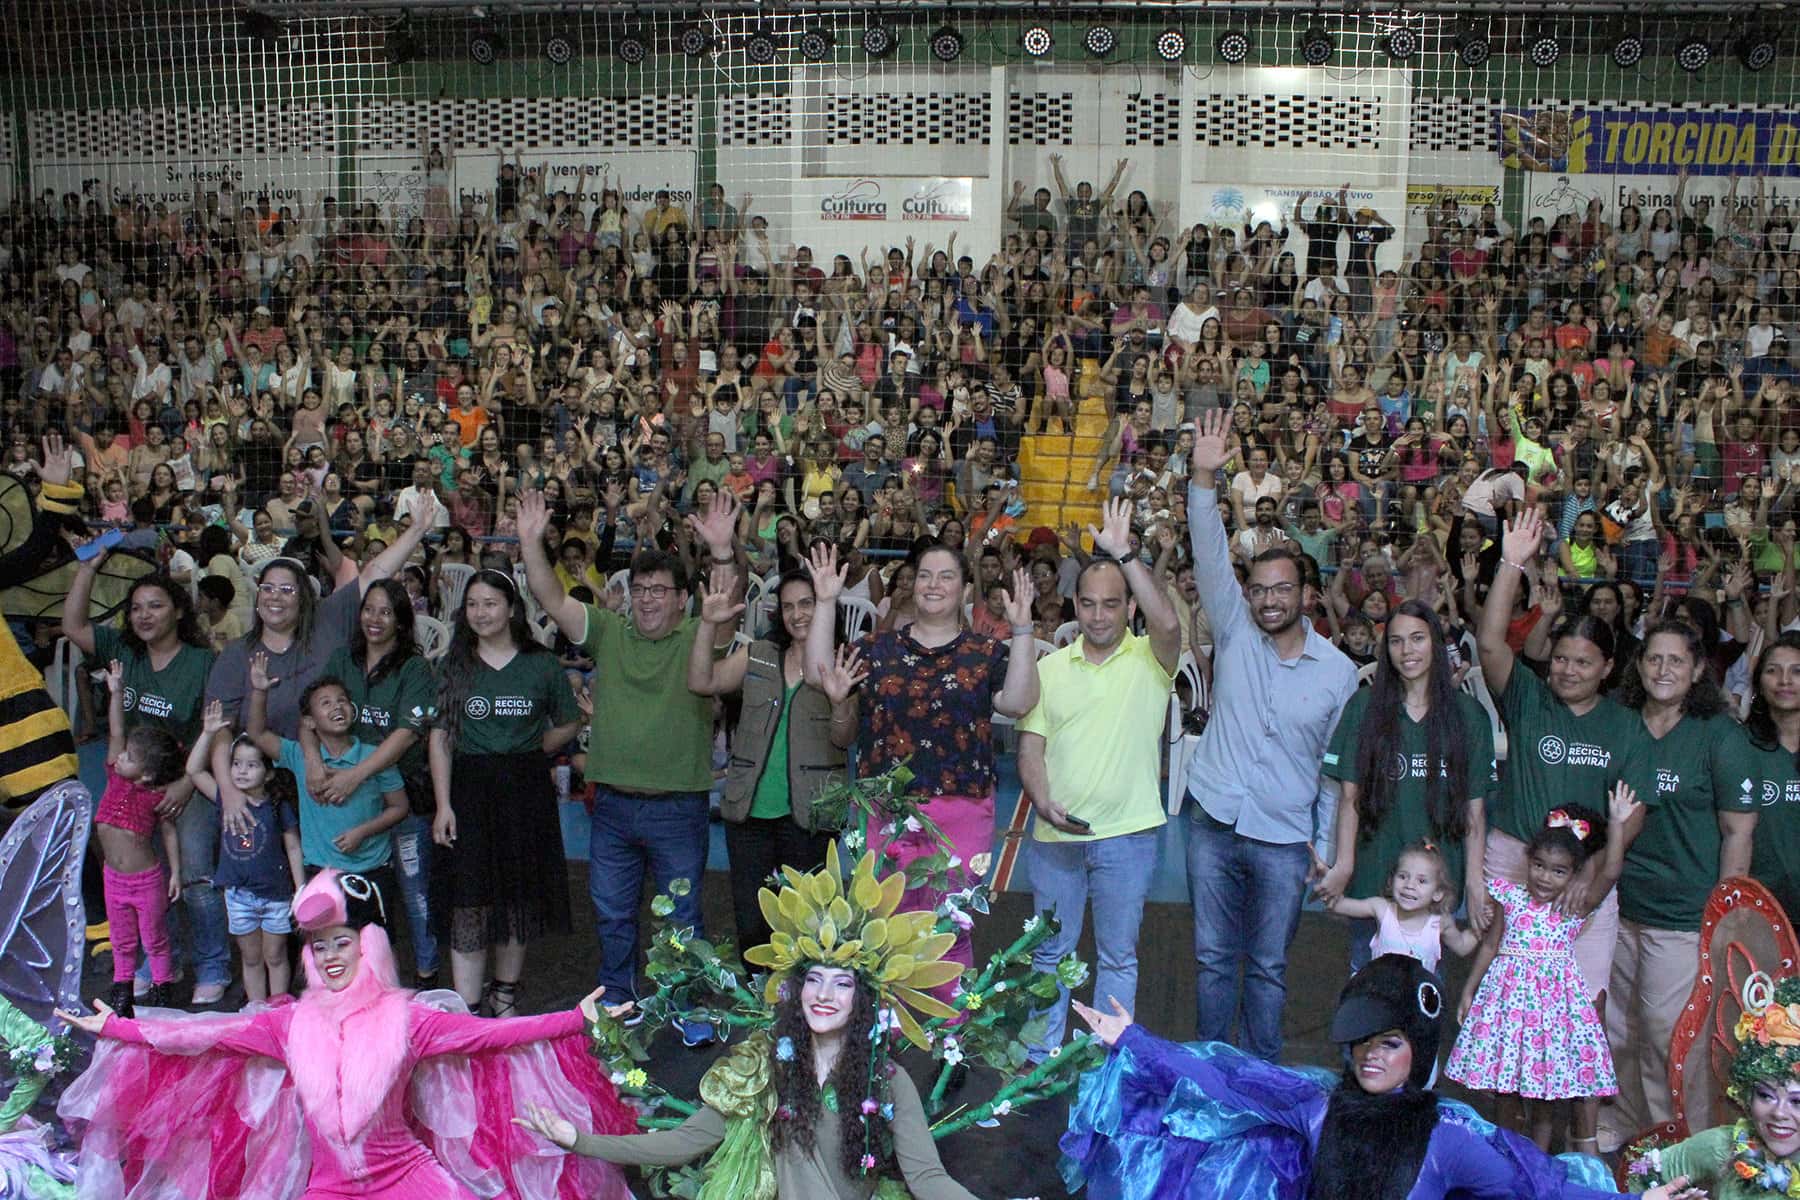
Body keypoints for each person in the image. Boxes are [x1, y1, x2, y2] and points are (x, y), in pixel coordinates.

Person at [56, 869, 638, 1200]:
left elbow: (495, 1037)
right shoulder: (287, 1024)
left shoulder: (411, 1020)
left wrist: (575, 1019)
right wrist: (118, 1027)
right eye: (319, 944)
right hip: (329, 1190)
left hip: (407, 1179)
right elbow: (204, 1035)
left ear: (370, 946)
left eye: (344, 941)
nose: (331, 955)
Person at [513, 845, 1028, 1200]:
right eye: (815, 979)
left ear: (866, 1000)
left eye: (843, 983)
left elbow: (928, 1178)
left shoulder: (885, 1081)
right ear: (795, 987)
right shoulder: (762, 1067)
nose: (824, 995)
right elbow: (683, 1143)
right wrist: (577, 1139)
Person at [1062, 954, 1701, 1200]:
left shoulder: (1446, 1140)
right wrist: (1136, 1041)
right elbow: (1226, 1084)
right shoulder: (1316, 1109)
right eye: (1362, 1043)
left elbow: (1539, 1189)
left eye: (1390, 1043)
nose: (1371, 1056)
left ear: (1418, 1053)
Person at [516, 489, 736, 1041]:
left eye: (659, 591)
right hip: (611, 806)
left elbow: (726, 615)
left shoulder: (697, 634)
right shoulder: (609, 632)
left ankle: (684, 1006)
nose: (646, 600)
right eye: (638, 590)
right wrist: (528, 541)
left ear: (683, 600)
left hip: (678, 806)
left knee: (682, 920)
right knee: (612, 915)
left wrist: (723, 551)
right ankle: (619, 999)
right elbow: (548, 596)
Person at [1181, 406, 1357, 1058]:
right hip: (1215, 822)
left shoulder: (1339, 675)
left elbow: (1336, 777)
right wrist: (1204, 478)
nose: (1269, 600)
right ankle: (1209, 1072)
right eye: (1258, 589)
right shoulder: (1233, 629)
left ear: (1305, 593)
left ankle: (1258, 1080)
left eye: (1282, 589)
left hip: (1284, 837)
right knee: (1211, 960)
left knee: (1270, 969)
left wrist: (1322, 846)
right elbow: (1206, 550)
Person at [802, 540, 1040, 1005]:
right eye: (925, 575)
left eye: (947, 575)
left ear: (965, 588)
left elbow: (1018, 703)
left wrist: (1025, 628)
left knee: (950, 925)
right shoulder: (879, 647)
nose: (934, 585)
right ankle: (883, 1037)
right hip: (885, 807)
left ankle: (950, 1037)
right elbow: (819, 672)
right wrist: (826, 599)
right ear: (912, 583)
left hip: (962, 810)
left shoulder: (985, 652)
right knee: (884, 921)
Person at [1476, 508, 1645, 1140]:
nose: (1568, 671)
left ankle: (1579, 1148)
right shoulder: (1528, 697)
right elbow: (1492, 642)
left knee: (1582, 1013)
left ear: (1607, 666)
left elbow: (1632, 813)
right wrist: (1512, 562)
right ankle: (1506, 1147)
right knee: (1507, 1017)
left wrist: (1596, 876)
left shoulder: (1625, 727)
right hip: (1514, 863)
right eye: (1561, 660)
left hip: (1589, 880)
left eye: (1583, 662)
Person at [1016, 496, 1180, 1059]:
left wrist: (1124, 552)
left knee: (1117, 956)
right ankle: (1038, 1062)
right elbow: (1030, 747)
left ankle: (1108, 1062)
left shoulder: (1151, 660)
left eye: (1112, 605)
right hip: (1056, 839)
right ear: (1075, 606)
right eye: (1088, 604)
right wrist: (1040, 800)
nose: (1099, 616)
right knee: (1048, 955)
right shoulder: (1051, 668)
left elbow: (1169, 620)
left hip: (1128, 837)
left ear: (1129, 606)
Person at [1601, 619, 1760, 1151]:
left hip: (1682, 915)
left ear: (1697, 671)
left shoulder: (1718, 735)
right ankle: (1621, 1130)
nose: (1663, 669)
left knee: (1667, 1037)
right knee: (1617, 1029)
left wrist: (1724, 918)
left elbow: (1738, 832)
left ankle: (1675, 1141)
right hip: (1616, 908)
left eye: (1676, 661)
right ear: (1638, 666)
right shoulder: (1620, 723)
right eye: (1653, 659)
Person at [65, 559, 224, 1002]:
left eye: (155, 606)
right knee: (145, 878)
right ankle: (161, 964)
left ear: (178, 610)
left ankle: (213, 965)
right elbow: (72, 624)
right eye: (136, 608)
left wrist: (187, 783)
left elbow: (217, 728)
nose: (144, 615)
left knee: (192, 875)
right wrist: (88, 567)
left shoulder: (201, 662)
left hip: (184, 781)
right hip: (133, 784)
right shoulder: (123, 649)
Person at [686, 567, 864, 953]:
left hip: (812, 817)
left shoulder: (843, 663)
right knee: (752, 925)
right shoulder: (759, 654)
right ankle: (761, 1007)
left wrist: (838, 701)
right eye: (788, 606)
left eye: (807, 604)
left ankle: (799, 1009)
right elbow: (703, 682)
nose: (797, 614)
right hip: (749, 814)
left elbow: (844, 737)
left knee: (808, 927)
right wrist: (707, 625)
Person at [1448, 792, 1638, 1154]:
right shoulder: (1512, 897)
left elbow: (1611, 870)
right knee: (1505, 1088)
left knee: (1545, 1096)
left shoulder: (1573, 906)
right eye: (1538, 865)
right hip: (1507, 1006)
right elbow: (1490, 945)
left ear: (1575, 874)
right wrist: (1469, 989)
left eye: (1559, 871)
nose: (1545, 877)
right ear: (1528, 861)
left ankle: (1536, 1163)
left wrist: (1617, 823)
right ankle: (1506, 1156)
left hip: (1550, 1016)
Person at [429, 567, 580, 1018]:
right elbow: (439, 736)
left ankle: (505, 996)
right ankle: (468, 1008)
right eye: (472, 604)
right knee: (468, 901)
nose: (481, 613)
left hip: (524, 791)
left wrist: (535, 748)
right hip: (468, 792)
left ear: (512, 609)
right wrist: (442, 805)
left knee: (517, 899)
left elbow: (569, 721)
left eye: (490, 603)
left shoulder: (541, 664)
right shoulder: (453, 665)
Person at [1313, 601, 1497, 969]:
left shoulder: (1469, 717)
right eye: (1396, 641)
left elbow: (1474, 811)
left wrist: (1476, 883)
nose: (1407, 651)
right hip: (1373, 869)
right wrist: (1345, 863)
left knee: (1424, 992)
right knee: (1366, 983)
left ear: (1435, 644)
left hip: (1435, 881)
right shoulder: (1364, 707)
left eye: (1417, 638)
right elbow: (1351, 796)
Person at [319, 579, 442, 986]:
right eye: (369, 609)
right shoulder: (342, 660)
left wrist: (357, 773)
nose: (375, 619)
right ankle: (358, 976)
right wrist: (313, 763)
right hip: (349, 799)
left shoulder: (415, 668)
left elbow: (407, 732)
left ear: (401, 620)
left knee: (414, 889)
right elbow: (311, 713)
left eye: (386, 612)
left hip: (400, 790)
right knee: (354, 888)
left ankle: (426, 973)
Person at [1627, 974, 1800, 1197]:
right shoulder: (1725, 1147)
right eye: (1766, 1095)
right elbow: (1643, 1173)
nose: (1778, 1113)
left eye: (1797, 1101)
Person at [184, 699, 304, 1004]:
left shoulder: (278, 805)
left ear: (268, 774)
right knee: (250, 958)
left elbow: (292, 845)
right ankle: (256, 1010)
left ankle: (279, 1009)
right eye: (235, 763)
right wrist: (209, 733)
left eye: (251, 765)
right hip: (238, 895)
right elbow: (195, 770)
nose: (241, 770)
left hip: (276, 894)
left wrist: (300, 887)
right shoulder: (227, 800)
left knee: (275, 956)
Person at [96, 659, 185, 1018]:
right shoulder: (116, 776)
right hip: (113, 880)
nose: (119, 757)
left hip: (145, 881)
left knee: (154, 938)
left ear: (146, 774)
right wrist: (115, 692)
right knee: (122, 939)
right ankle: (124, 992)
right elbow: (117, 731)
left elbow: (168, 830)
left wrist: (175, 873)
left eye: (129, 757)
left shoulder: (154, 796)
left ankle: (163, 991)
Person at [1324, 841, 1480, 974]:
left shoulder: (1439, 922)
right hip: (1379, 998)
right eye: (1403, 876)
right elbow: (1339, 905)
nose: (1409, 885)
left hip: (1414, 1004)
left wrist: (1484, 923)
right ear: (1392, 881)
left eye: (1422, 881)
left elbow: (1462, 946)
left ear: (1438, 893)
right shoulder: (1381, 908)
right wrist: (1326, 881)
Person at [1743, 632, 1800, 931]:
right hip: (1759, 908)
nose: (1785, 680)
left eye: (1797, 671)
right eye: (1773, 670)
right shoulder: (1739, 746)